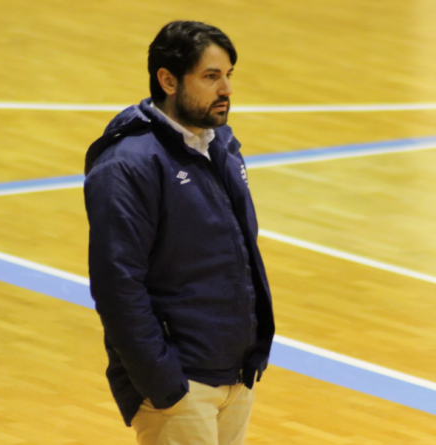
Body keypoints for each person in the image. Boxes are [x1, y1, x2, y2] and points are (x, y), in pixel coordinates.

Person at [83, 20, 275, 445]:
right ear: (168, 80)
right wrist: (163, 381)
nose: (225, 89)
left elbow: (239, 253)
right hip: (181, 387)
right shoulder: (128, 166)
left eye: (228, 75)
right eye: (210, 77)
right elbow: (117, 287)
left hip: (236, 375)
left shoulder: (220, 144)